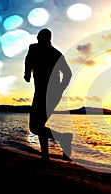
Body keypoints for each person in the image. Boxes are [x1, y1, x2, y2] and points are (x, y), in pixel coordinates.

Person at [24, 28, 72, 161]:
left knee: (36, 126)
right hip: (40, 93)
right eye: (38, 36)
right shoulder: (34, 48)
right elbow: (28, 60)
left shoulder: (55, 54)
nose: (38, 39)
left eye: (40, 37)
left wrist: (60, 89)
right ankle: (47, 154)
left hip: (51, 94)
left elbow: (67, 73)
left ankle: (62, 139)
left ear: (47, 38)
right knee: (38, 125)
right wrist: (27, 73)